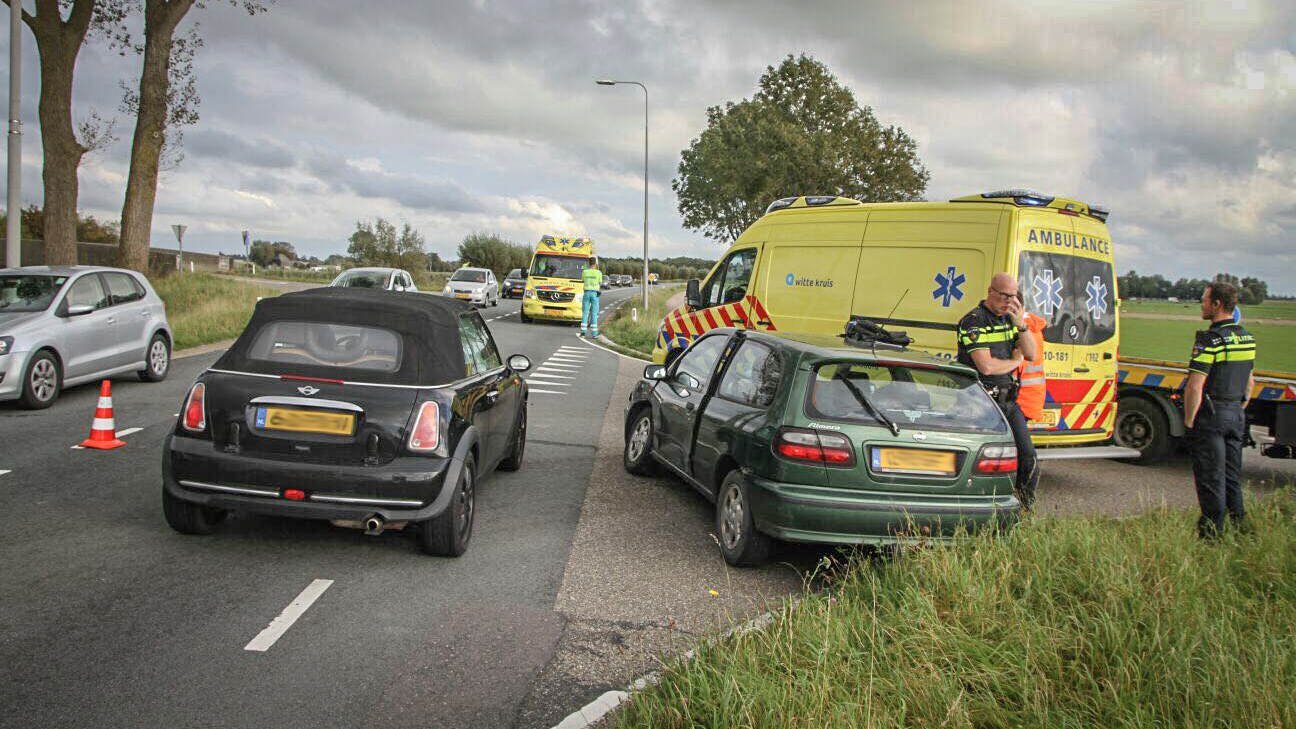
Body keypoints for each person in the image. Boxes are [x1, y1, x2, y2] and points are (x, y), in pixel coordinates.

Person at [956, 273, 1039, 507]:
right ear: (990, 292)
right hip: (979, 401)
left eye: (1014, 297)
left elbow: (1031, 354)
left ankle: (1023, 508)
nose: (1009, 301)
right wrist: (1015, 361)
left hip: (1008, 401)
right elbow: (987, 366)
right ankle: (971, 506)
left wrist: (1021, 324)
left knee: (1028, 457)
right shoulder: (974, 321)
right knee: (980, 459)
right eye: (1005, 295)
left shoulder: (1010, 320)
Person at [1184, 281, 1256, 539]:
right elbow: (1250, 381)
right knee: (1232, 476)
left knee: (1210, 478)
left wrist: (1190, 422)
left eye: (1204, 300)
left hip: (1212, 414)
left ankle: (1210, 536)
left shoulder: (1211, 340)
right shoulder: (1247, 338)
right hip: (1236, 412)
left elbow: (1195, 386)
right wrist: (1239, 406)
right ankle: (1239, 530)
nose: (1201, 305)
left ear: (1217, 304)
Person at [580, 258, 603, 337]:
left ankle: (583, 332)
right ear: (595, 263)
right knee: (594, 313)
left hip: (586, 293)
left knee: (585, 312)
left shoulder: (584, 272)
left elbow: (582, 280)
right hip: (595, 294)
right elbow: (600, 283)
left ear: (588, 263)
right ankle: (594, 333)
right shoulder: (598, 272)